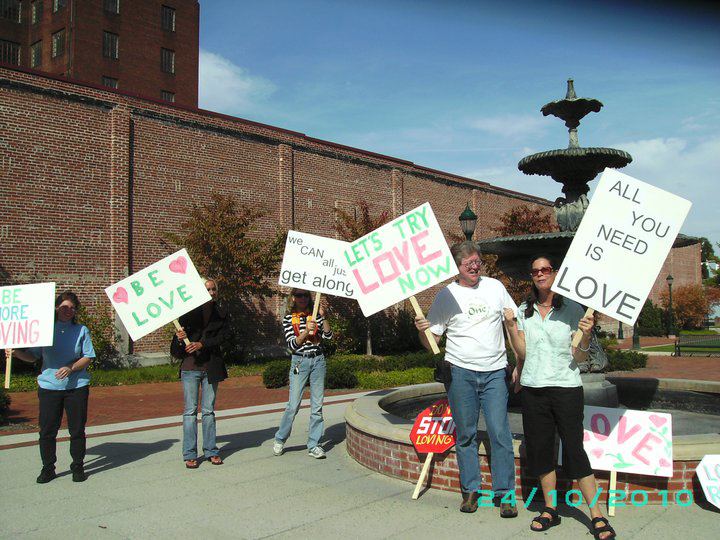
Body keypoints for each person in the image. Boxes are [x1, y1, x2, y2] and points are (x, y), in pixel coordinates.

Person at [503, 255, 616, 539]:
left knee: (574, 450)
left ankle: (597, 515)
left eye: (545, 269)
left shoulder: (574, 310)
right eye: (535, 271)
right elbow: (523, 352)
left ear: (555, 273)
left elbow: (579, 355)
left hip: (566, 388)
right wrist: (510, 326)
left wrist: (586, 336)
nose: (540, 274)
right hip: (534, 388)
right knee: (541, 450)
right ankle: (550, 509)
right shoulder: (524, 309)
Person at [415, 241, 518, 517]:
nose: (474, 267)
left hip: (495, 371)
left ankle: (505, 494)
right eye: (468, 264)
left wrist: (520, 360)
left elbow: (512, 324)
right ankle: (471, 491)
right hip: (460, 373)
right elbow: (433, 340)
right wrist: (422, 330)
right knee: (466, 434)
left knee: (499, 431)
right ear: (457, 268)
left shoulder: (495, 287)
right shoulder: (446, 296)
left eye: (477, 262)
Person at [9, 291, 96, 483]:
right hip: (49, 387)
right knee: (47, 430)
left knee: (77, 429)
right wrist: (15, 353)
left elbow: (88, 356)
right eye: (65, 307)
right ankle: (48, 468)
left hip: (76, 386)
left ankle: (78, 466)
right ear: (57, 308)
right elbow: (33, 357)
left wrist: (71, 368)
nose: (69, 311)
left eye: (73, 308)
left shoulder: (81, 330)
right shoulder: (44, 329)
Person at [171, 278, 229, 469]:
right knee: (189, 412)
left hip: (211, 368)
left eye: (214, 289)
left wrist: (203, 344)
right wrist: (179, 339)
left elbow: (225, 336)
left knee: (208, 411)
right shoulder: (187, 314)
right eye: (208, 290)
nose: (211, 292)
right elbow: (175, 350)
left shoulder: (221, 313)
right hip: (190, 369)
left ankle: (211, 450)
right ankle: (189, 453)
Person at [273, 288, 332, 459]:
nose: (303, 298)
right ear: (293, 298)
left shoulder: (315, 316)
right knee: (293, 405)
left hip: (318, 360)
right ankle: (280, 438)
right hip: (300, 361)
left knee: (317, 406)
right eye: (299, 295)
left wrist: (323, 316)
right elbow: (292, 345)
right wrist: (306, 330)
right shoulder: (288, 319)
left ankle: (314, 444)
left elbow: (328, 336)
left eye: (306, 295)